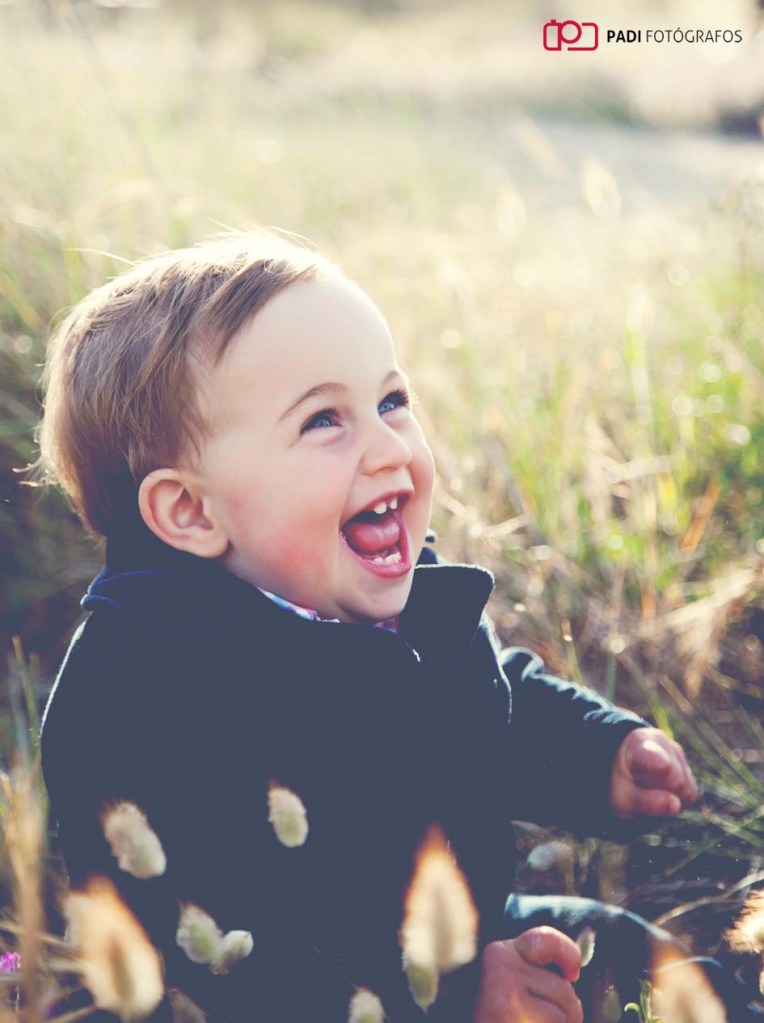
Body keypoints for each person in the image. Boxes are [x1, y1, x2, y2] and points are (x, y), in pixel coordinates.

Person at [37, 232, 721, 1023]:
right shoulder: (141, 699)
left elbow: (492, 702)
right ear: (191, 510)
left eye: (392, 400)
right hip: (306, 994)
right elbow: (214, 951)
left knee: (645, 960)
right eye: (326, 420)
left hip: (457, 928)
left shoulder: (401, 601)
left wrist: (596, 755)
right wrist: (457, 996)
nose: (390, 446)